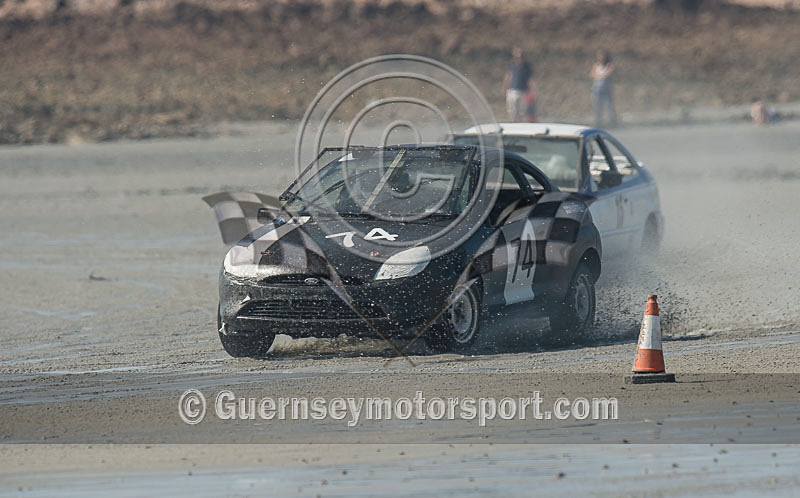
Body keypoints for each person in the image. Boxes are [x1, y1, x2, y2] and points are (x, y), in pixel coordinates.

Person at [504, 47, 536, 122]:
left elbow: (530, 79)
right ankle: (514, 123)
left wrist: (533, 91)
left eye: (520, 54)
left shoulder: (527, 66)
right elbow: (508, 77)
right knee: (512, 110)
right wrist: (505, 89)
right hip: (512, 91)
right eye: (517, 54)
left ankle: (521, 125)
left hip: (523, 91)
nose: (519, 56)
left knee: (522, 111)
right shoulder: (512, 65)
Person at [590, 50, 617, 128]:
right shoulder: (596, 65)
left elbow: (607, 74)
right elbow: (592, 74)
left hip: (606, 89)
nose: (601, 58)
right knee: (597, 107)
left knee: (609, 106)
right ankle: (598, 123)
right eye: (599, 56)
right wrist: (600, 76)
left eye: (602, 56)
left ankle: (612, 123)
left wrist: (599, 76)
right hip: (596, 89)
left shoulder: (610, 65)